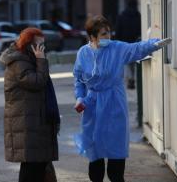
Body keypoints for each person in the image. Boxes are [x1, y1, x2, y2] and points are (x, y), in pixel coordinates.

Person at [73, 15, 171, 182]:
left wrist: (154, 44)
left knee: (116, 158)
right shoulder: (83, 53)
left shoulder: (116, 48)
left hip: (114, 103)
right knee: (95, 158)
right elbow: (78, 78)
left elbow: (135, 48)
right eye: (103, 34)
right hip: (93, 105)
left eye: (109, 33)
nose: (108, 37)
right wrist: (79, 97)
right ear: (92, 37)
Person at [0, 27, 60, 182]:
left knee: (37, 165)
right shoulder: (19, 62)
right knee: (31, 167)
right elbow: (37, 81)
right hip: (26, 122)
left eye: (43, 45)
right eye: (39, 45)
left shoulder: (28, 59)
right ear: (29, 44)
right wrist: (41, 60)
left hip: (34, 120)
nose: (42, 48)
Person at [115, 0, 141, 89]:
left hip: (124, 42)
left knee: (126, 62)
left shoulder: (122, 16)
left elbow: (118, 30)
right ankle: (133, 78)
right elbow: (140, 29)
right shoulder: (138, 15)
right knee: (133, 62)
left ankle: (130, 79)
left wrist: (117, 41)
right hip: (135, 42)